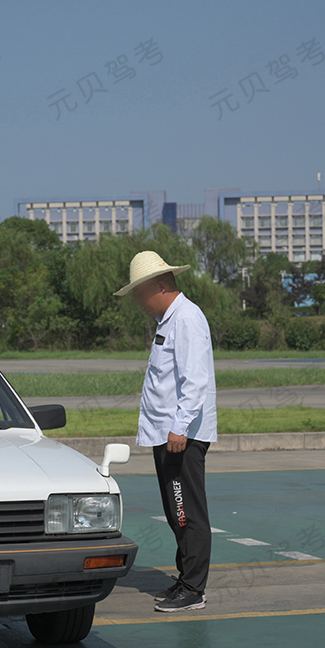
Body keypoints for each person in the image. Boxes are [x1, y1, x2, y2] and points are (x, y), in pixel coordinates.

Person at [114, 250, 217, 612]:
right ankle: (186, 579)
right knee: (178, 511)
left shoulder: (186, 319)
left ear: (159, 286)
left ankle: (194, 589)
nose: (139, 302)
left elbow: (195, 379)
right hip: (170, 434)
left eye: (140, 293)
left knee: (187, 511)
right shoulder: (169, 320)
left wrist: (179, 428)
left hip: (181, 436)